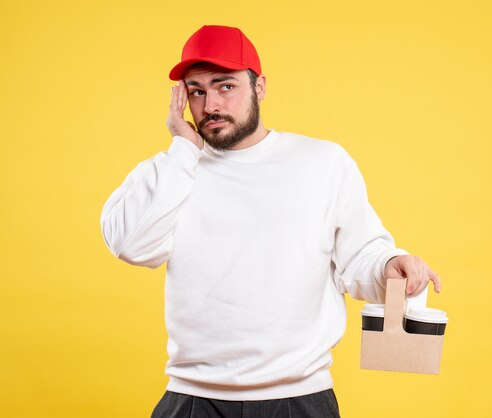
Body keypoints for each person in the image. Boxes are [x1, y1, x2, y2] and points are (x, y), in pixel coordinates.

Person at [100, 25, 442, 418]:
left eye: (225, 86)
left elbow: (361, 256)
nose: (210, 103)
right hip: (193, 399)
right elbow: (132, 246)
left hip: (300, 399)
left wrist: (387, 265)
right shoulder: (169, 172)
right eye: (196, 90)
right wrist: (183, 150)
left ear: (259, 86)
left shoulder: (323, 163)